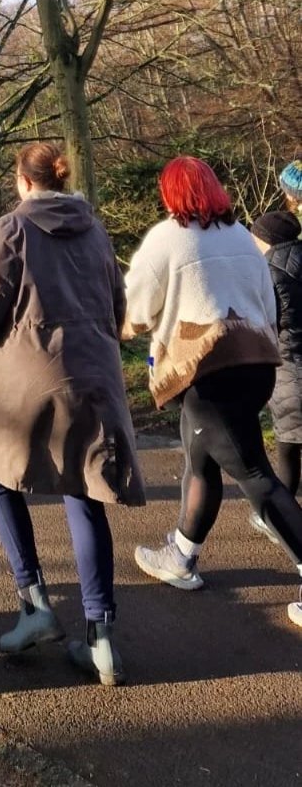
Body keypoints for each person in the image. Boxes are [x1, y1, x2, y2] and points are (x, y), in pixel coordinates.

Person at [0, 142, 145, 685]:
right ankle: (101, 638)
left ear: (24, 182)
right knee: (86, 492)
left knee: (1, 478)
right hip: (95, 377)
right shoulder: (96, 232)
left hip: (28, 382)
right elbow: (118, 308)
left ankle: (34, 604)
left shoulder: (11, 230)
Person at [125, 156, 302, 631]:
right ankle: (181, 555)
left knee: (254, 475)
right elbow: (268, 305)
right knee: (200, 460)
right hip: (255, 363)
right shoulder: (243, 236)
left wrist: (121, 329)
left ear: (171, 195)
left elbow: (137, 308)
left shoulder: (167, 237)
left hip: (209, 370)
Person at [249, 211, 302, 525]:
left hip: (289, 371)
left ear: (267, 239)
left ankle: (282, 519)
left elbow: (267, 324)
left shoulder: (268, 272)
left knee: (288, 448)